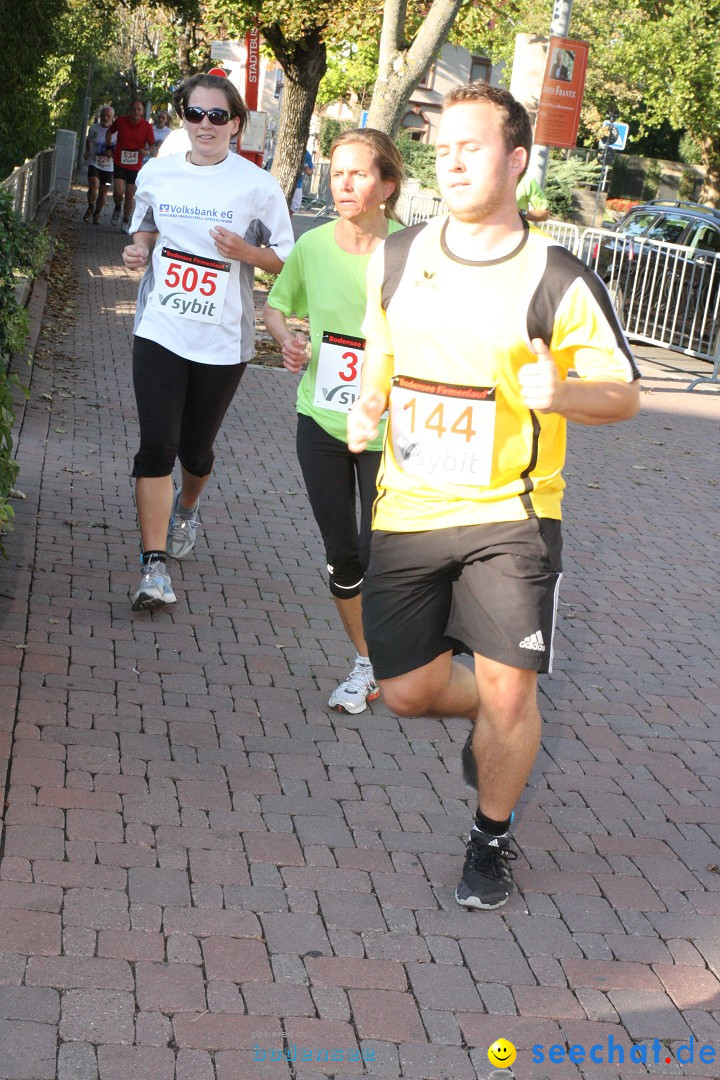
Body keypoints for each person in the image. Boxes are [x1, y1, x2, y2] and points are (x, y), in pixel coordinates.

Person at [347, 82, 640, 910]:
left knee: (511, 689)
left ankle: (490, 838)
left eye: (470, 147)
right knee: (405, 692)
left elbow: (622, 393)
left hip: (511, 513)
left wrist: (563, 394)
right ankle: (503, 716)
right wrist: (370, 404)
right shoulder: (398, 256)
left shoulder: (556, 275)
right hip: (407, 507)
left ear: (516, 160)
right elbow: (381, 348)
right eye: (442, 150)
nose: (452, 161)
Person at [122, 73, 293, 611]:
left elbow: (287, 260)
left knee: (195, 452)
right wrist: (139, 250)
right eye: (193, 114)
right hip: (161, 327)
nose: (204, 125)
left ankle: (188, 507)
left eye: (216, 116)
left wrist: (247, 251)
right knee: (157, 445)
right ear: (183, 119)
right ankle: (153, 568)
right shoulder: (158, 173)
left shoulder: (257, 185)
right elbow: (145, 226)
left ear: (235, 124)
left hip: (222, 339)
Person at [263, 129, 405, 713]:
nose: (342, 183)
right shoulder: (313, 245)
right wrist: (286, 340)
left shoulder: (412, 253)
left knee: (382, 553)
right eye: (336, 172)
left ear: (387, 184)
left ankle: (411, 646)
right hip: (319, 419)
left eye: (357, 173)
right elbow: (275, 305)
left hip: (388, 427)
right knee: (342, 553)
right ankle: (368, 661)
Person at [105, 100, 155, 233]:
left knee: (129, 194)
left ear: (143, 112)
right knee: (118, 191)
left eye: (139, 109)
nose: (136, 112)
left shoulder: (147, 127)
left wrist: (147, 151)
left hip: (135, 164)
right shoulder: (121, 121)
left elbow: (152, 145)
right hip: (120, 161)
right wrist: (109, 147)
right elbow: (109, 131)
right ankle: (117, 207)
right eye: (134, 109)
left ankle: (126, 221)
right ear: (130, 110)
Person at [83, 105, 115, 223]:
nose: (105, 118)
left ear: (112, 117)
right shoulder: (94, 128)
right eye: (103, 115)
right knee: (93, 185)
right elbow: (89, 140)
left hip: (108, 167)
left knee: (103, 192)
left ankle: (97, 212)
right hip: (94, 163)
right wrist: (88, 151)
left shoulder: (116, 131)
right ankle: (91, 206)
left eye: (108, 116)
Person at [291, 149, 314, 213]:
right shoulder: (289, 149)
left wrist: (306, 169)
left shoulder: (306, 154)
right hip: (285, 184)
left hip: (297, 185)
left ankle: (287, 222)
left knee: (293, 208)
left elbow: (310, 171)